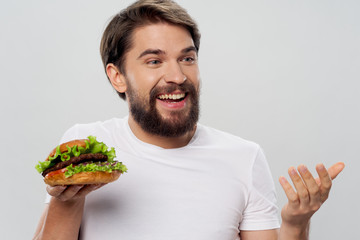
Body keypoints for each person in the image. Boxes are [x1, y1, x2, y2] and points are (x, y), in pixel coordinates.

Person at [33, 0, 345, 239]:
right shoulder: (89, 146)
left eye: (187, 58)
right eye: (154, 61)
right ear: (118, 77)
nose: (178, 76)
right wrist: (67, 200)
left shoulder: (244, 157)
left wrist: (295, 225)